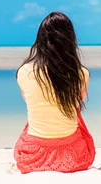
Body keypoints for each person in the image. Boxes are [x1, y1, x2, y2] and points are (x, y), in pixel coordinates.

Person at [13, 12, 95, 174]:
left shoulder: (24, 71)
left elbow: (28, 100)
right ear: (70, 40)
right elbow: (79, 101)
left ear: (40, 41)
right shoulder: (80, 73)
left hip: (33, 155)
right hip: (73, 154)